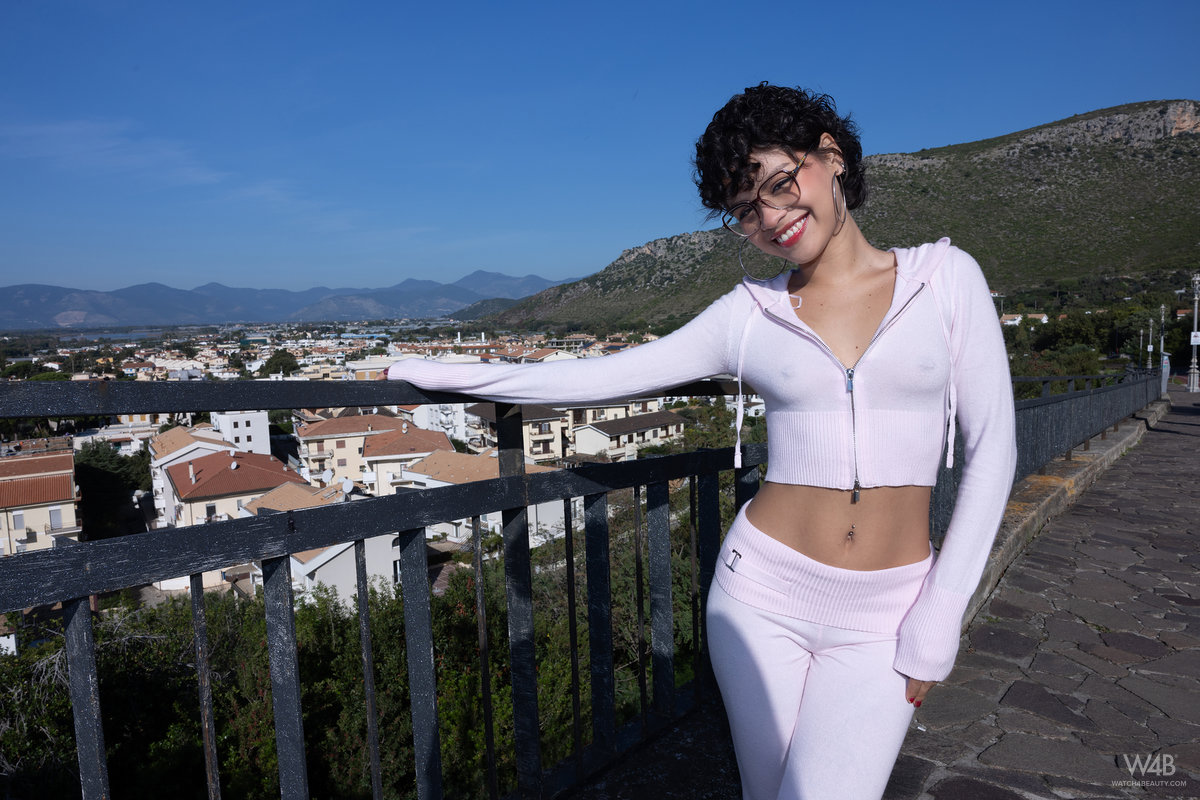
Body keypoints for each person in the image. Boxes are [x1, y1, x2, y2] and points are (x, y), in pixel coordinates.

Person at [386, 83, 1017, 800]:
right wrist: (440, 372)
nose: (771, 218)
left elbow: (993, 447)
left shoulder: (944, 279)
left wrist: (942, 608)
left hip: (889, 609)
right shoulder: (749, 315)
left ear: (832, 156)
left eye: (780, 184)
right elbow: (604, 376)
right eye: (746, 209)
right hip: (760, 596)